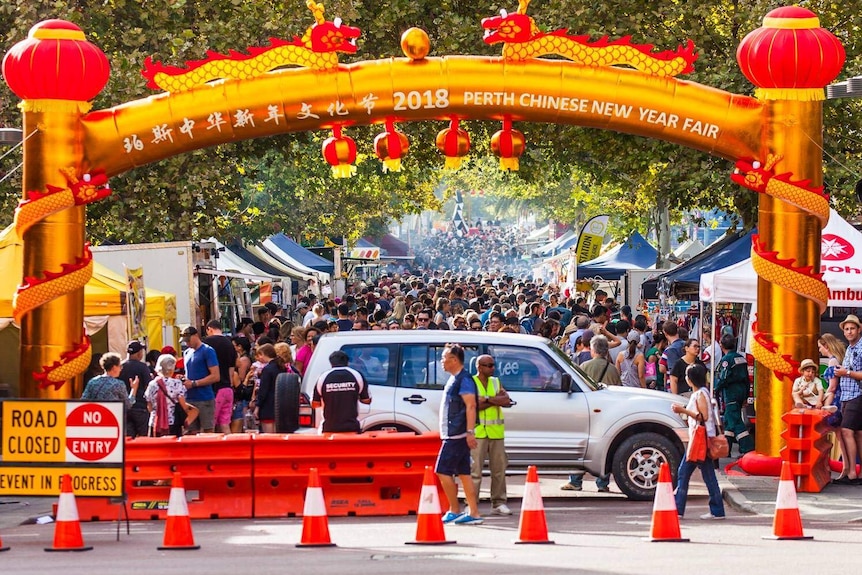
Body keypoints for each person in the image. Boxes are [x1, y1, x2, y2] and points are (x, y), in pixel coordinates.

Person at [671, 363, 726, 519]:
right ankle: (716, 509)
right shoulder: (703, 393)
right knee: (705, 475)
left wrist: (682, 410)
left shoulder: (700, 394)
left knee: (684, 473)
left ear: (690, 379)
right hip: (702, 439)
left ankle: (679, 508)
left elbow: (703, 416)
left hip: (700, 440)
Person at [437, 344, 484, 525]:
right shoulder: (455, 379)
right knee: (464, 473)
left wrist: (469, 432)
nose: (442, 361)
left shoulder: (464, 380)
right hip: (454, 432)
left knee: (442, 470)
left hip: (456, 434)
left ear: (454, 360)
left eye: (444, 357)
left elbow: (471, 406)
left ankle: (454, 509)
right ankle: (473, 512)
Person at [470, 354, 513, 516]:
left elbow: (506, 400)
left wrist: (486, 399)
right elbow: (474, 404)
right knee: (475, 471)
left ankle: (499, 502)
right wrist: (494, 400)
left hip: (496, 433)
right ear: (479, 367)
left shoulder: (495, 381)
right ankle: (472, 504)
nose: (492, 368)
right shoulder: (471, 382)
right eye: (488, 365)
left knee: (499, 470)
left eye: (493, 365)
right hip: (478, 432)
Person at [833, 314, 862, 485]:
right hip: (847, 395)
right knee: (857, 433)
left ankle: (852, 472)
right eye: (847, 329)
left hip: (857, 395)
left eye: (852, 328)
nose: (849, 332)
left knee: (846, 431)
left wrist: (846, 373)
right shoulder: (850, 349)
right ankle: (855, 473)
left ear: (859, 329)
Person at [713, 335, 754, 456]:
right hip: (741, 391)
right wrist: (746, 395)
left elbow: (724, 377)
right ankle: (727, 448)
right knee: (729, 421)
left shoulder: (727, 360)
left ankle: (748, 447)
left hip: (731, 393)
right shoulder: (741, 358)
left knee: (734, 420)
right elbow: (747, 379)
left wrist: (716, 389)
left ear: (722, 345)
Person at [312, 350, 371, 433]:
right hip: (352, 428)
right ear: (347, 362)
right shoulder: (357, 375)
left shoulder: (323, 377)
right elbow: (367, 400)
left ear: (331, 363)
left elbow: (315, 404)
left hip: (328, 429)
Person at [819, 333, 849, 481]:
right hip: (841, 399)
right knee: (841, 435)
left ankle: (844, 467)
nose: (820, 351)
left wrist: (823, 401)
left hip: (835, 401)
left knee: (838, 435)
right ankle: (845, 467)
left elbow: (832, 387)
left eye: (820, 347)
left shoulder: (832, 361)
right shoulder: (839, 359)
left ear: (826, 346)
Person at [181, 326, 220, 433]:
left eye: (188, 340)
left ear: (196, 336)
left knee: (208, 431)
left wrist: (194, 383)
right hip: (189, 399)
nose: (187, 343)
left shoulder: (208, 351)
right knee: (191, 431)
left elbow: (216, 376)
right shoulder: (187, 353)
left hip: (204, 398)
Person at [203, 320, 237, 434]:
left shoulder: (206, 344)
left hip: (214, 389)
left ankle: (211, 451)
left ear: (209, 329)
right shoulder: (230, 344)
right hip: (227, 389)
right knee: (225, 424)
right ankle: (230, 449)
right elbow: (231, 370)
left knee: (210, 425)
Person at [144, 353, 188, 437]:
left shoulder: (152, 384)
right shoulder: (177, 383)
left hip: (155, 422)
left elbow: (149, 406)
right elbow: (183, 405)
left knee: (156, 448)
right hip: (173, 422)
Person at [119, 340, 152, 438]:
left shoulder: (119, 366)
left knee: (128, 438)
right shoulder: (142, 367)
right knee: (143, 438)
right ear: (139, 353)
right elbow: (148, 387)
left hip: (124, 407)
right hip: (140, 406)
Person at [253, 343, 281, 433]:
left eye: (260, 354)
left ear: (264, 354)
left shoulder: (267, 369)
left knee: (268, 435)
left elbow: (263, 390)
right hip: (279, 406)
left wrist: (257, 407)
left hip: (268, 407)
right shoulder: (281, 367)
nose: (259, 358)